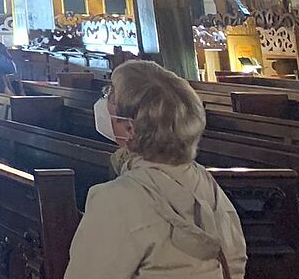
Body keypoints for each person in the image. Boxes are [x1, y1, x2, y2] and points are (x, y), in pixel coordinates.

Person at [66, 60, 247, 279]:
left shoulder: (114, 199)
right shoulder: (204, 180)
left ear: (130, 127)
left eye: (109, 97)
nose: (103, 103)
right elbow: (235, 262)